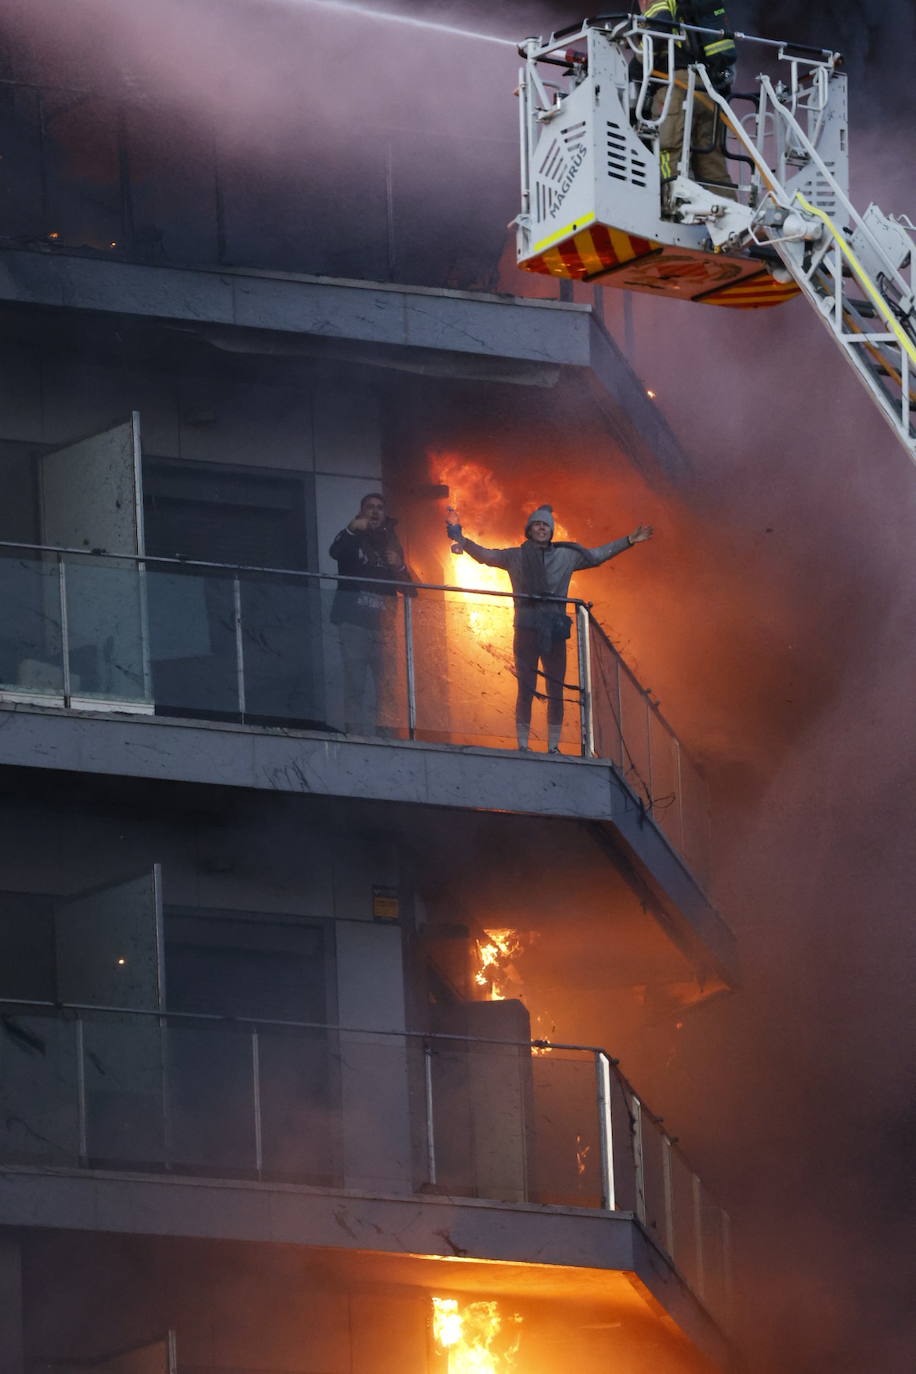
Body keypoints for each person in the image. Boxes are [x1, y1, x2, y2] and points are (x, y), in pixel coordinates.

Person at [446, 504, 652, 753]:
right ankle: (523, 745)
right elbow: (486, 555)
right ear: (529, 530)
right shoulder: (515, 556)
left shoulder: (568, 556)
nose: (542, 527)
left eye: (545, 524)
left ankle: (553, 747)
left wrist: (629, 540)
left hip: (554, 630)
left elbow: (596, 556)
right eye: (537, 524)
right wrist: (462, 539)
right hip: (526, 628)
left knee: (555, 688)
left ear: (551, 530)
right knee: (526, 688)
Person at [640, 0, 737, 205]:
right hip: (709, 89)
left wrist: (636, 65)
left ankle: (667, 205)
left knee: (668, 150)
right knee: (713, 163)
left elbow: (660, 25)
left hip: (676, 84)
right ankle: (728, 209)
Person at [330, 493, 411, 736]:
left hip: (384, 628)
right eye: (370, 508)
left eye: (379, 508)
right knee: (355, 684)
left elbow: (410, 589)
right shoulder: (351, 536)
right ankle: (354, 736)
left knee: (387, 688)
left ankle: (386, 738)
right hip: (354, 625)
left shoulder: (392, 542)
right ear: (362, 512)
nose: (375, 511)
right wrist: (352, 530)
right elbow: (335, 552)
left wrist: (399, 566)